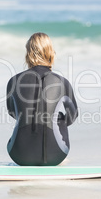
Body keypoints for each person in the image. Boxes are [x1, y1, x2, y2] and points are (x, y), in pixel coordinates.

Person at [6, 32, 78, 166]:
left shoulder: (13, 81)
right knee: (59, 117)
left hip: (18, 155)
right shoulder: (62, 82)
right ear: (51, 52)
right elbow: (72, 116)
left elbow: (12, 112)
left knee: (24, 117)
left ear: (28, 53)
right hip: (55, 156)